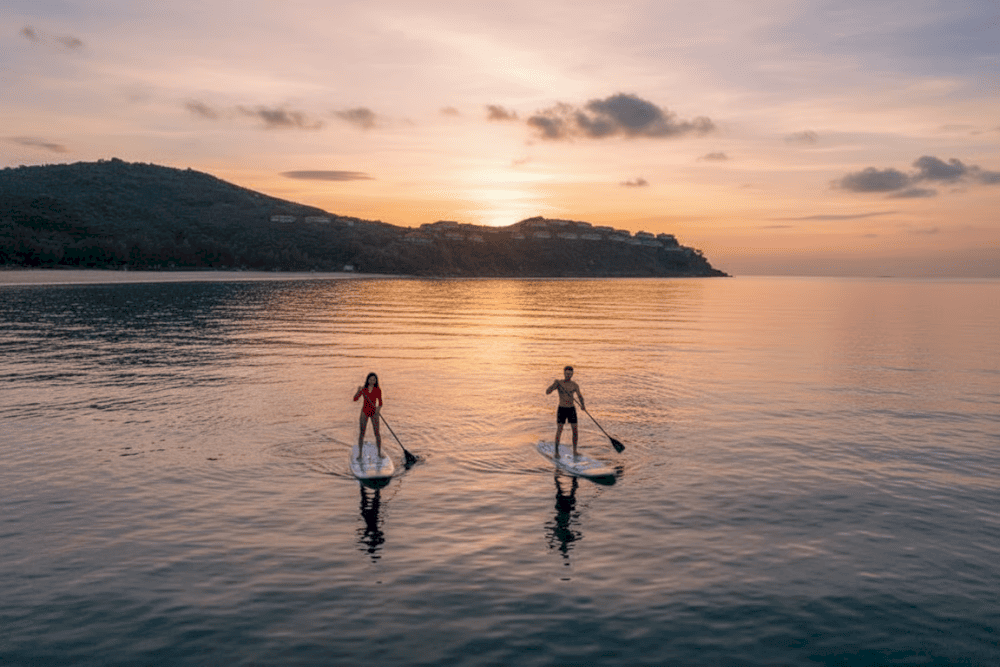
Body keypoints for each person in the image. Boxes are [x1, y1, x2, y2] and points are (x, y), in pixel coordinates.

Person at [545, 366, 585, 458]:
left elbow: (580, 396)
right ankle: (556, 452)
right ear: (564, 373)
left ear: (572, 374)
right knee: (559, 430)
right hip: (562, 409)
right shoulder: (559, 383)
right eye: (567, 373)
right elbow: (547, 392)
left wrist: (583, 405)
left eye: (570, 374)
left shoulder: (575, 385)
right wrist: (553, 384)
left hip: (571, 409)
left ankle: (575, 451)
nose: (568, 375)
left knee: (575, 431)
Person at [353, 372, 382, 461]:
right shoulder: (364, 389)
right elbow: (355, 399)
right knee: (362, 433)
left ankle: (379, 453)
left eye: (374, 380)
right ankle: (360, 454)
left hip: (374, 412)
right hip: (364, 412)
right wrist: (358, 391)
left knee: (377, 433)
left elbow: (380, 403)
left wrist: (378, 409)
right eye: (370, 379)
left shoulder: (378, 390)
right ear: (367, 380)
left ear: (376, 380)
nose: (372, 381)